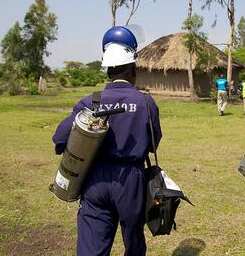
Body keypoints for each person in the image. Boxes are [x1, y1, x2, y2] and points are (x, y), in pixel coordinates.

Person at [52, 26, 162, 256]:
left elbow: (60, 139)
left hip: (94, 181)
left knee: (92, 248)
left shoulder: (89, 102)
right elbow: (154, 143)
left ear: (107, 69)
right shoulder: (146, 103)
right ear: (133, 67)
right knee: (133, 243)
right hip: (131, 181)